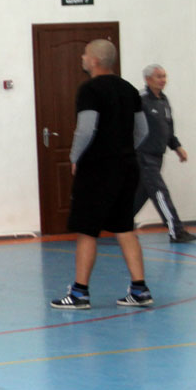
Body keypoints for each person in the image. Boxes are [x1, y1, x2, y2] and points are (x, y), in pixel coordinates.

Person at [50, 39, 153, 310]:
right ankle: (140, 290)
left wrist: (75, 157)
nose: (82, 58)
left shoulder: (90, 89)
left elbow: (86, 129)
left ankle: (79, 294)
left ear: (94, 60)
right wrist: (124, 150)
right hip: (127, 167)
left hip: (97, 169)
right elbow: (143, 131)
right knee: (124, 227)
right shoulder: (129, 89)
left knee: (87, 230)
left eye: (85, 54)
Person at [132, 64, 196, 243]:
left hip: (157, 156)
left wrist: (177, 147)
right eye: (159, 76)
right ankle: (176, 230)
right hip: (143, 156)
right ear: (148, 79)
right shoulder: (140, 100)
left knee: (143, 193)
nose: (163, 80)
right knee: (160, 192)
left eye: (164, 76)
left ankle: (119, 223)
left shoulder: (164, 100)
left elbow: (168, 128)